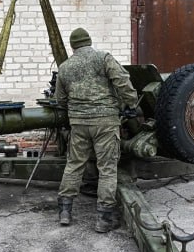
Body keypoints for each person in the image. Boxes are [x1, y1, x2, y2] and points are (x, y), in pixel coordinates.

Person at [55, 27, 138, 233]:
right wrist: (131, 103)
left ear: (73, 45)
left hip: (79, 123)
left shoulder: (64, 67)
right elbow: (122, 82)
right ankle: (104, 219)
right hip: (105, 122)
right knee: (107, 169)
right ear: (89, 41)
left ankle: (65, 212)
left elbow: (60, 100)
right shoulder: (104, 58)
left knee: (74, 165)